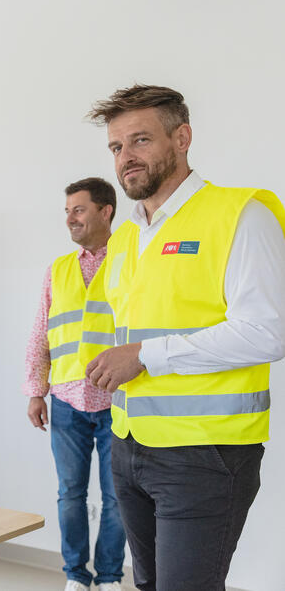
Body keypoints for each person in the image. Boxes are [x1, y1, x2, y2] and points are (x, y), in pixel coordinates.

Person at [85, 84, 285, 591]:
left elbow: (268, 331)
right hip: (129, 446)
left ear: (182, 138)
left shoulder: (241, 215)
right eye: (115, 147)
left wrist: (147, 356)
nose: (126, 158)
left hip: (206, 454)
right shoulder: (126, 235)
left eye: (140, 140)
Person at [25, 177, 126, 591]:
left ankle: (109, 577)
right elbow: (40, 333)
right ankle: (75, 576)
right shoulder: (59, 268)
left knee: (118, 497)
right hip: (66, 399)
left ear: (106, 211)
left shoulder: (132, 259)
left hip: (119, 399)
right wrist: (35, 390)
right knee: (70, 495)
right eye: (67, 211)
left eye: (78, 209)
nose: (70, 219)